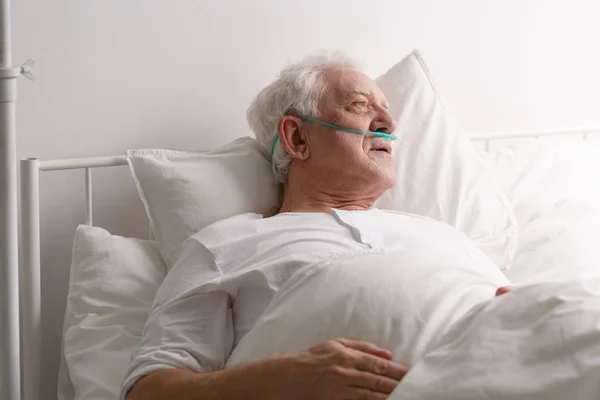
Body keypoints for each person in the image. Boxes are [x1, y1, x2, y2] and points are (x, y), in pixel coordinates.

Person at [121, 51, 513, 400]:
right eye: (360, 105)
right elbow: (148, 390)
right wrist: (280, 380)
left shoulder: (442, 235)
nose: (389, 123)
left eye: (387, 110)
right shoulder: (225, 246)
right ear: (297, 137)